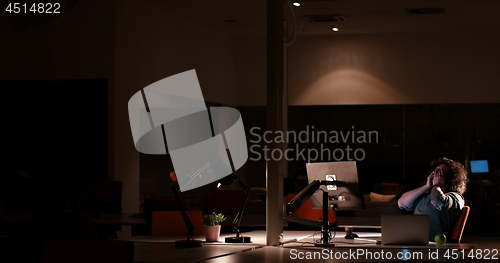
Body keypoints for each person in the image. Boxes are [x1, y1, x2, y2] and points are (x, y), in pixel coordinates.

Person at [398, 157, 468, 241]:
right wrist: (426, 186)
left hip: (435, 246)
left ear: (451, 177)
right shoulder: (426, 195)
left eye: (440, 172)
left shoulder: (456, 197)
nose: (435, 173)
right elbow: (402, 203)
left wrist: (436, 185)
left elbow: (436, 201)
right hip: (415, 242)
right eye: (435, 170)